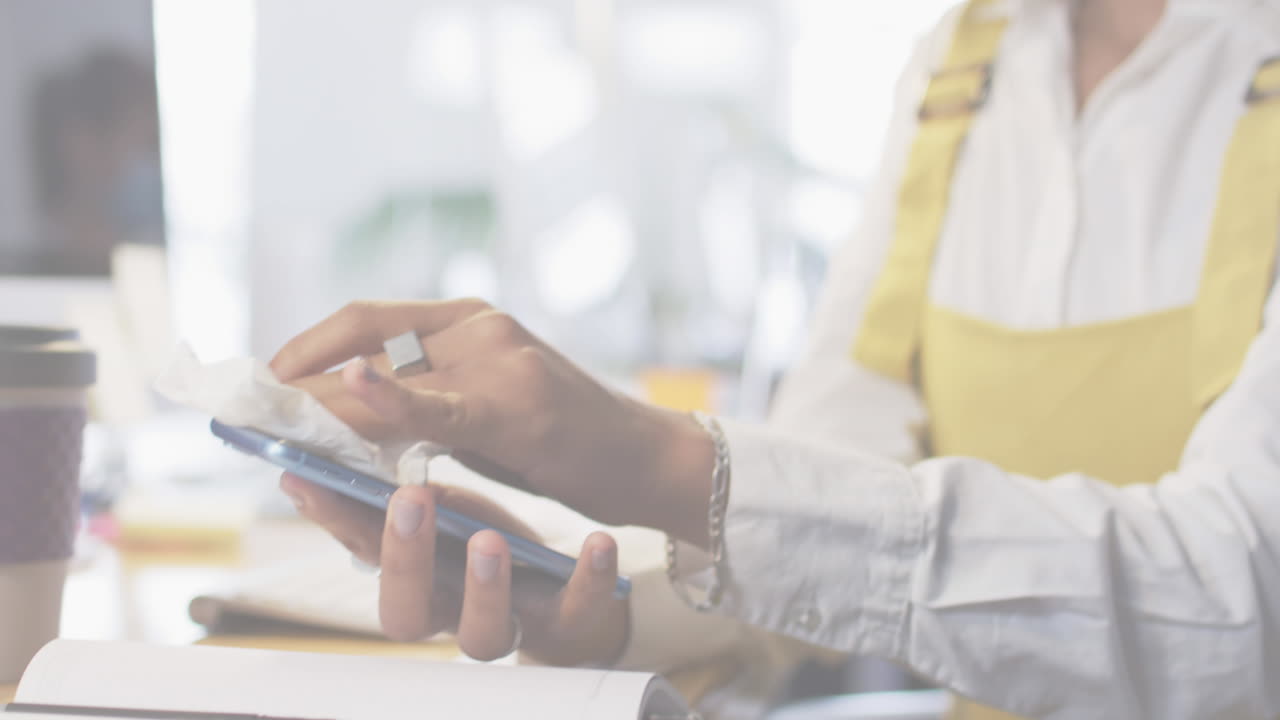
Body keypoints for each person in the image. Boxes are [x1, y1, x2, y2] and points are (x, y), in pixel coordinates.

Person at [268, 0, 1280, 717]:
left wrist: (670, 467)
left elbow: (1242, 606)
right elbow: (830, 524)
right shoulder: (959, 65)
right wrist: (600, 613)